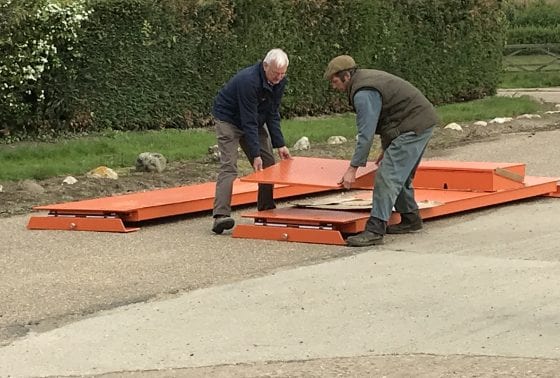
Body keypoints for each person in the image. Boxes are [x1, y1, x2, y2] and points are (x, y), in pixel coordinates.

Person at [324, 55, 438, 247]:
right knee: (397, 173)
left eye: (334, 81)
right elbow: (389, 116)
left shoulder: (363, 92)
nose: (333, 86)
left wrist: (353, 168)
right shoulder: (365, 81)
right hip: (419, 120)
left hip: (414, 125)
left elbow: (366, 134)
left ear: (345, 76)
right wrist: (388, 147)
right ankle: (411, 219)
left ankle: (375, 230)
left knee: (387, 175)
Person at [211, 48, 292, 234]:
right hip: (229, 119)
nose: (279, 78)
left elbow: (272, 112)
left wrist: (280, 144)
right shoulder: (248, 81)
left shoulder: (279, 81)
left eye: (282, 73)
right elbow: (248, 119)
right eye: (275, 73)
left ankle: (266, 209)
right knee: (229, 167)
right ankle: (220, 216)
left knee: (269, 164)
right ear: (265, 66)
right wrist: (254, 155)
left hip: (254, 118)